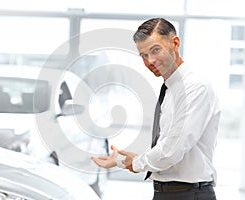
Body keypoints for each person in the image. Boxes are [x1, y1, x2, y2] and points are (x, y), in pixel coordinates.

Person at [91, 18, 221, 200]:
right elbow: (167, 145)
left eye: (155, 50)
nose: (150, 60)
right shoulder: (170, 89)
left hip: (188, 194)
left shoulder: (194, 87)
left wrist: (134, 163)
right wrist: (122, 160)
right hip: (168, 192)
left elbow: (171, 151)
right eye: (144, 55)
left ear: (175, 43)